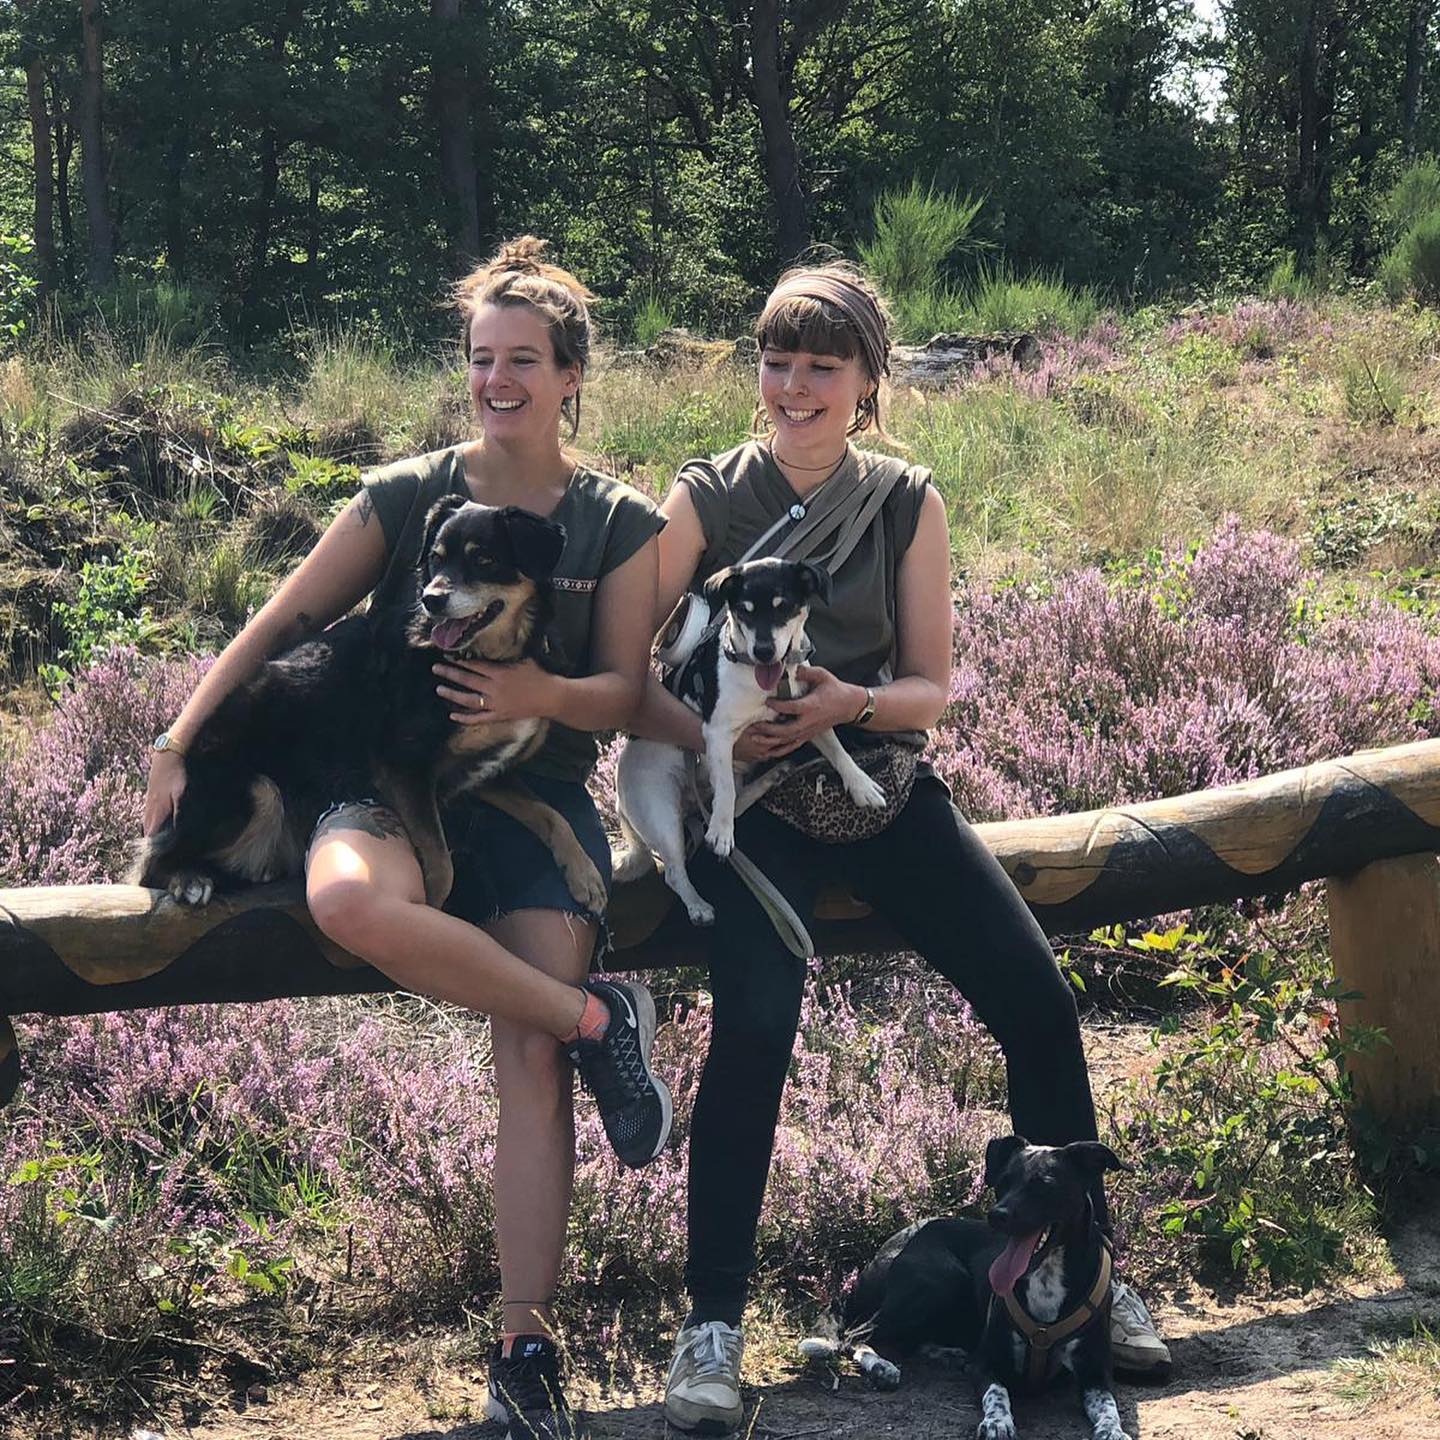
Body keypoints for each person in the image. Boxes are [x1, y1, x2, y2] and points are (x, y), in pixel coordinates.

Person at [141, 237, 671, 1440]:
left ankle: (524, 1350)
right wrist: (179, 737)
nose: (498, 380)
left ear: (571, 375)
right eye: (482, 357)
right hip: (385, 779)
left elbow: (626, 694)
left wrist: (537, 693)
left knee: (524, 1052)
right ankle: (600, 1021)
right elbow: (285, 617)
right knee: (347, 901)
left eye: (523, 359)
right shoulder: (409, 493)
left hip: (535, 798)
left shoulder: (617, 521)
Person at [627, 262, 1171, 1433]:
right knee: (755, 1029)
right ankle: (711, 1328)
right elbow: (628, 656)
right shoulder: (705, 495)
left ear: (869, 379)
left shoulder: (905, 499)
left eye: (823, 365)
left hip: (875, 781)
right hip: (749, 804)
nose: (794, 384)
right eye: (777, 358)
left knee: (1039, 1003)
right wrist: (719, 731)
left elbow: (929, 689)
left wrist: (844, 706)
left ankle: (1092, 1288)